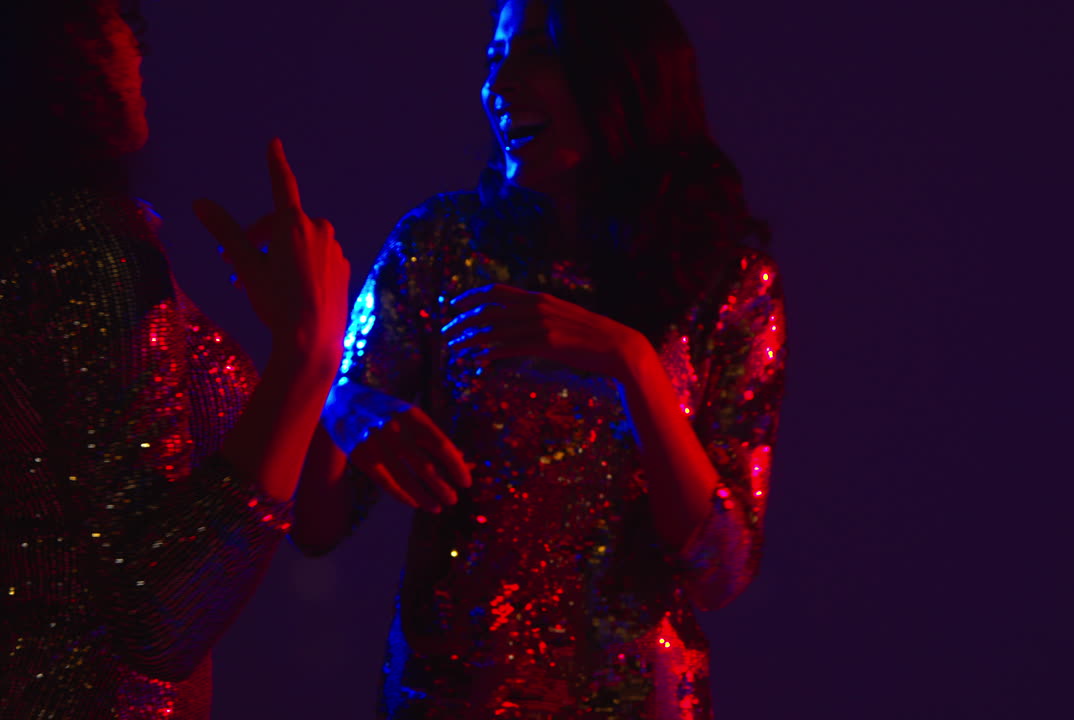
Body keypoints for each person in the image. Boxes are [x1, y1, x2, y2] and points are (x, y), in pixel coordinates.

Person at [293, 0, 787, 717]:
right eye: (494, 60)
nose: (500, 85)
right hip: (452, 699)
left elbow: (721, 570)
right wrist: (338, 400)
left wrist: (631, 361)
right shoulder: (440, 245)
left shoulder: (725, 278)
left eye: (537, 54)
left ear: (626, 73)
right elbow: (316, 525)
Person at [0, 0, 351, 716]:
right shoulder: (85, 252)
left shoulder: (51, 240)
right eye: (115, 12)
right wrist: (308, 353)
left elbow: (313, 519)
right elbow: (155, 620)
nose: (138, 41)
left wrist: (331, 385)